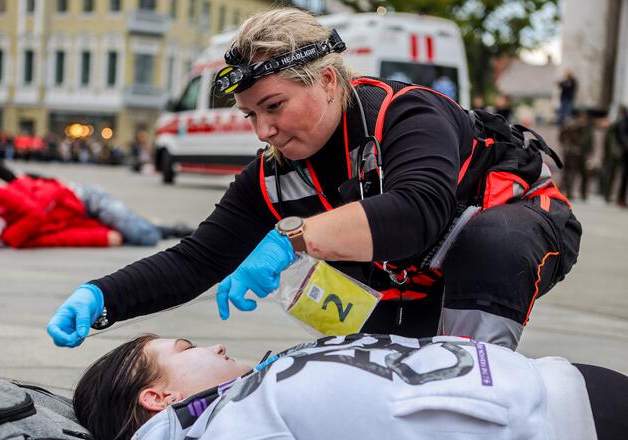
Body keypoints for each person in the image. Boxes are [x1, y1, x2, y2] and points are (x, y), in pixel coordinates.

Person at [47, 8, 580, 351]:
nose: (264, 129)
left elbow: (418, 212)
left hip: (508, 227)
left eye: (273, 106)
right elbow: (199, 259)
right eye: (250, 116)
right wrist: (101, 297)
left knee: (491, 247)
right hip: (411, 274)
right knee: (377, 369)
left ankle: (479, 386)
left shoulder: (407, 114)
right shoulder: (274, 173)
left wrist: (292, 240)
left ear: (327, 80)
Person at [74, 333, 627, 440]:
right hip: (564, 435)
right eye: (187, 347)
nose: (214, 345)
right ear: (157, 395)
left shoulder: (234, 409)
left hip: (556, 394)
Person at [0, 175, 192, 248]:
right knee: (140, 235)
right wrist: (101, 238)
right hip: (79, 220)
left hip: (83, 198)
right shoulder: (15, 237)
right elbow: (56, 238)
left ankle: (171, 229)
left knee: (142, 235)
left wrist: (11, 236)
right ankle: (168, 229)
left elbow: (41, 207)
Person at [559, 109, 594, 200]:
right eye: (581, 118)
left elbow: (590, 142)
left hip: (583, 155)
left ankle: (584, 194)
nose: (583, 121)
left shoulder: (587, 129)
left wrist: (590, 153)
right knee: (570, 174)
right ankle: (569, 193)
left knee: (585, 175)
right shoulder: (571, 127)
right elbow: (562, 138)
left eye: (585, 119)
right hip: (572, 154)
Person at [615, 106, 628, 207]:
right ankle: (621, 199)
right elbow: (622, 135)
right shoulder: (624, 121)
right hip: (625, 154)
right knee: (624, 177)